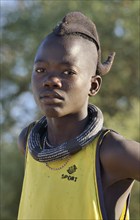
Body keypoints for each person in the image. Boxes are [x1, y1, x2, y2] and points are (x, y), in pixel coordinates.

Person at [17, 11, 140, 220]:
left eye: (67, 72)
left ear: (93, 85)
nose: (51, 81)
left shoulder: (111, 153)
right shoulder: (29, 142)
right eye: (40, 70)